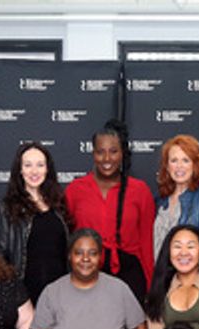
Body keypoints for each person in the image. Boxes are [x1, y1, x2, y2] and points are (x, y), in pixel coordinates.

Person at [64, 119, 156, 298]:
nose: (107, 159)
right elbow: (66, 242)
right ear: (93, 153)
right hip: (86, 272)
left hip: (130, 275)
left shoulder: (140, 190)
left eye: (113, 152)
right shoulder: (75, 190)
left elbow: (147, 244)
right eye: (100, 152)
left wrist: (151, 289)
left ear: (122, 154)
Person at [0, 142, 72, 303]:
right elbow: (0, 258)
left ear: (47, 169)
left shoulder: (59, 204)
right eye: (28, 165)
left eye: (40, 165)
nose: (34, 171)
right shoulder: (5, 208)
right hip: (24, 295)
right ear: (20, 170)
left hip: (60, 294)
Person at [153, 135, 199, 265]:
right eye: (174, 160)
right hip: (160, 279)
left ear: (195, 165)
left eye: (186, 160)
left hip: (190, 280)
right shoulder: (159, 200)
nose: (179, 166)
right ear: (167, 166)